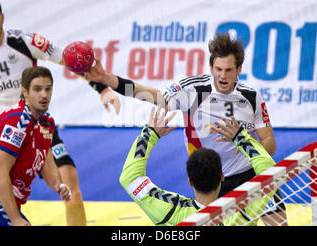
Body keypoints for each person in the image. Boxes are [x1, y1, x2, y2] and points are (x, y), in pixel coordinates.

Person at [83, 32, 286, 225]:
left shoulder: (252, 98)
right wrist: (107, 79)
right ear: (211, 66)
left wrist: (240, 142)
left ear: (239, 69)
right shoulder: (192, 89)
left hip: (250, 175)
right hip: (215, 183)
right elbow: (148, 94)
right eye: (218, 69)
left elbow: (270, 145)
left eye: (229, 70)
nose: (223, 76)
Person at [0, 0, 119, 226]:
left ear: (2, 16)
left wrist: (101, 88)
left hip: (38, 126)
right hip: (8, 134)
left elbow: (69, 60)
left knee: (71, 190)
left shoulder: (23, 42)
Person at [119, 106, 276, 226]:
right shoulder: (241, 214)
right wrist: (240, 137)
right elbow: (269, 169)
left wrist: (150, 134)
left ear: (190, 181)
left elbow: (130, 178)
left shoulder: (171, 211)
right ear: (222, 176)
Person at [0, 66, 71, 226]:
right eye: (37, 89)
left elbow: (45, 160)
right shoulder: (18, 121)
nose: (44, 95)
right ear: (25, 91)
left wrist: (58, 184)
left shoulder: (46, 122)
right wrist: (15, 219)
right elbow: (0, 173)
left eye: (48, 89)